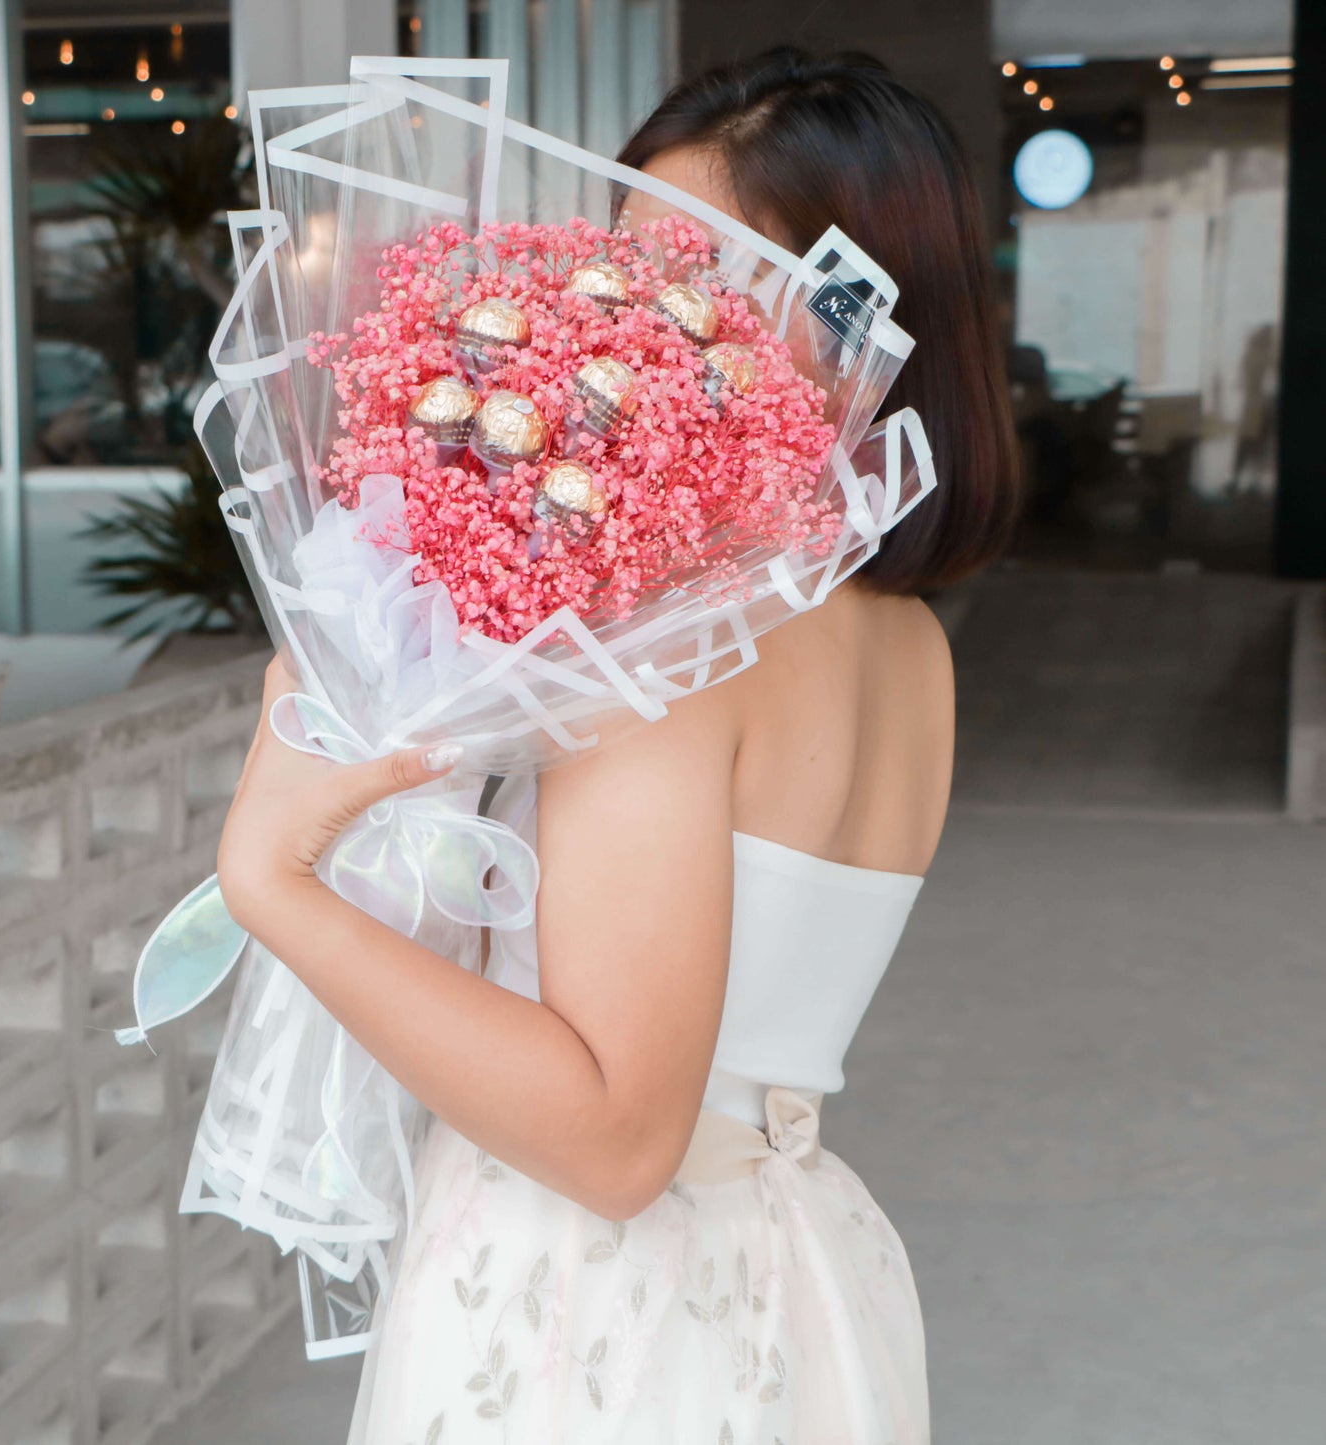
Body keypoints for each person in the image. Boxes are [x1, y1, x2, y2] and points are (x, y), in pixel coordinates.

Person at [215, 46, 1019, 1445]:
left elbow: (612, 1135)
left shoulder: (678, 654)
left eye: (691, 271)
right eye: (619, 263)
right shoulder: (906, 644)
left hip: (593, 1315)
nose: (627, 319)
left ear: (847, 314)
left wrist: (269, 881)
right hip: (800, 1267)